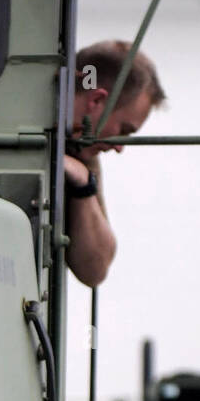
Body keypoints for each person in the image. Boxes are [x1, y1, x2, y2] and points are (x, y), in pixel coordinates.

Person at [64, 41, 166, 286]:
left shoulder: (84, 156)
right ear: (97, 100)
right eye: (123, 130)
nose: (120, 147)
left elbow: (94, 268)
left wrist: (83, 186)